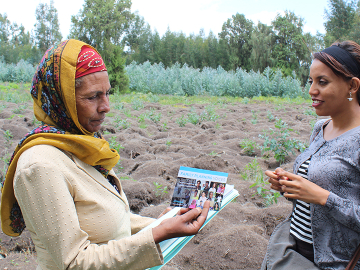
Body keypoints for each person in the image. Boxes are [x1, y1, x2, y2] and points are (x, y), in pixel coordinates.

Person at [0, 39, 210, 270]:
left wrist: (163, 224)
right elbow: (74, 262)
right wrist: (157, 234)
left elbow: (109, 220)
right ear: (62, 99)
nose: (106, 106)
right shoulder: (40, 166)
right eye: (93, 97)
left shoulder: (81, 145)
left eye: (107, 93)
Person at [262, 40, 360, 269]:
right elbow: (314, 189)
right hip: (293, 251)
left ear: (353, 86)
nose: (311, 90)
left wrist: (323, 197)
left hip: (334, 262)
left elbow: (321, 195)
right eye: (311, 81)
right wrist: (290, 186)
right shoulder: (321, 127)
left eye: (322, 82)